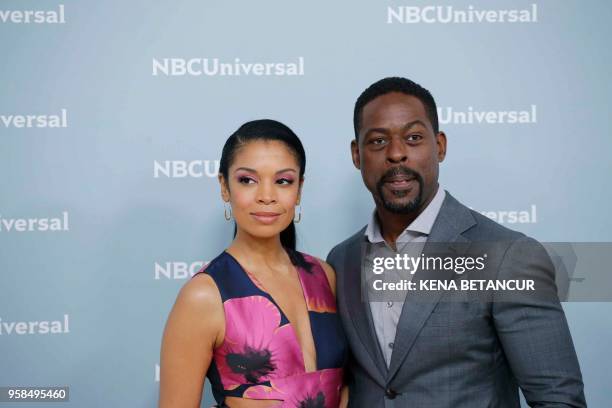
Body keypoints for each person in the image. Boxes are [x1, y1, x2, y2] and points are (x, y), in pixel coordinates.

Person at [326, 77, 586, 407]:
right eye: (377, 141)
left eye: (413, 138)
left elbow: (558, 399)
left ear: (440, 146)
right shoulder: (341, 260)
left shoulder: (507, 255)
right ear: (357, 154)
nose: (396, 154)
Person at [159, 119, 348, 408]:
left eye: (283, 181)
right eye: (247, 180)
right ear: (224, 186)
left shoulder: (324, 275)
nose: (266, 196)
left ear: (299, 190)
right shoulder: (204, 296)